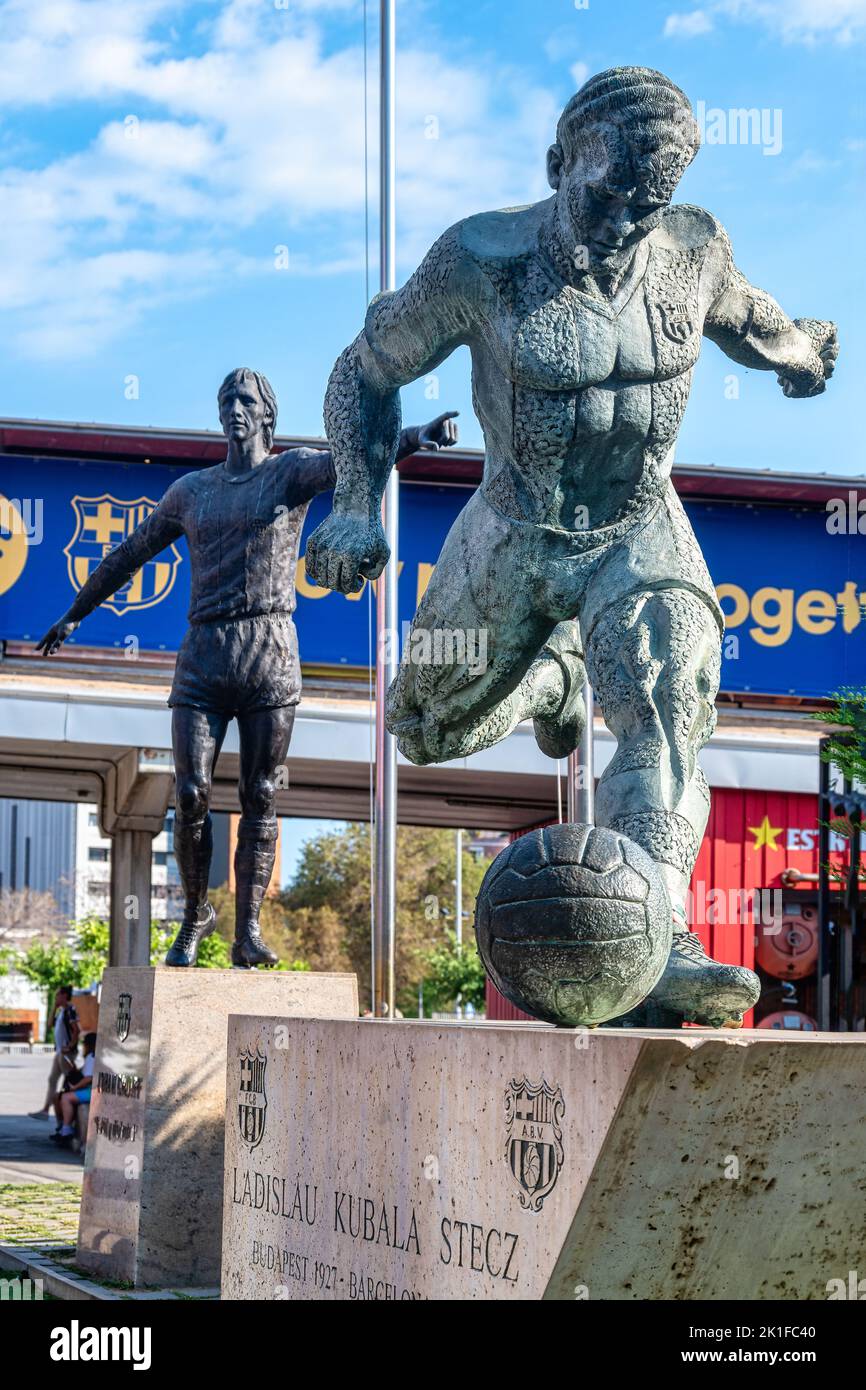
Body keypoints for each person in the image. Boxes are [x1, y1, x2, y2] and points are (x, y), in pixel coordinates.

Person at [306, 67, 838, 1027]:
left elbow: (755, 321)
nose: (625, 220)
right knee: (425, 727)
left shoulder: (694, 249)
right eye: (605, 194)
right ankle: (553, 681)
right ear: (559, 165)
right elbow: (362, 372)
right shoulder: (481, 258)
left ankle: (660, 935)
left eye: (649, 200)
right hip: (515, 530)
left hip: (637, 524)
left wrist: (799, 351)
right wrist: (354, 503)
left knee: (672, 704)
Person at [36, 369, 458, 968]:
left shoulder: (290, 473)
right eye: (227, 400)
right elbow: (129, 553)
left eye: (247, 400)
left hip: (270, 653)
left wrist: (416, 434)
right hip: (204, 654)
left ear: (267, 415)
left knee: (261, 793)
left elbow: (362, 457)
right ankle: (192, 916)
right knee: (191, 791)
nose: (235, 408)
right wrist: (75, 613)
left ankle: (249, 929)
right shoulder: (191, 492)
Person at [28, 986, 79, 1119]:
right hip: (60, 1052)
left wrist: (70, 1046)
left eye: (58, 995)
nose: (56, 997)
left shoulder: (70, 1010)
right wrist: (54, 1008)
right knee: (52, 1080)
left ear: (64, 995)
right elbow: (50, 1024)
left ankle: (68, 1113)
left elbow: (76, 1030)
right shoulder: (61, 1011)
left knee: (70, 1079)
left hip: (66, 1052)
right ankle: (45, 1110)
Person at [51, 1031, 96, 1148]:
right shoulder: (91, 1057)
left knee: (66, 1097)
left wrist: (74, 1088)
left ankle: (66, 1130)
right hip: (90, 1089)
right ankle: (62, 1126)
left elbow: (88, 1078)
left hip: (91, 1091)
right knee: (57, 1096)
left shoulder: (92, 1057)